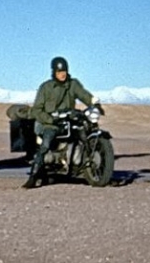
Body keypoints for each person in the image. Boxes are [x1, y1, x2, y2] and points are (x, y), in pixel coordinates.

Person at [24, 56, 99, 189]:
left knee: (85, 129)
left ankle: (81, 163)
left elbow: (83, 95)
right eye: (59, 72)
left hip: (68, 121)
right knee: (46, 142)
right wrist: (50, 119)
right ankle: (33, 177)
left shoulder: (73, 84)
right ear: (54, 72)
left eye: (64, 71)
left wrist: (94, 103)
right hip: (49, 123)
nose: (62, 74)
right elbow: (36, 110)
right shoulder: (46, 87)